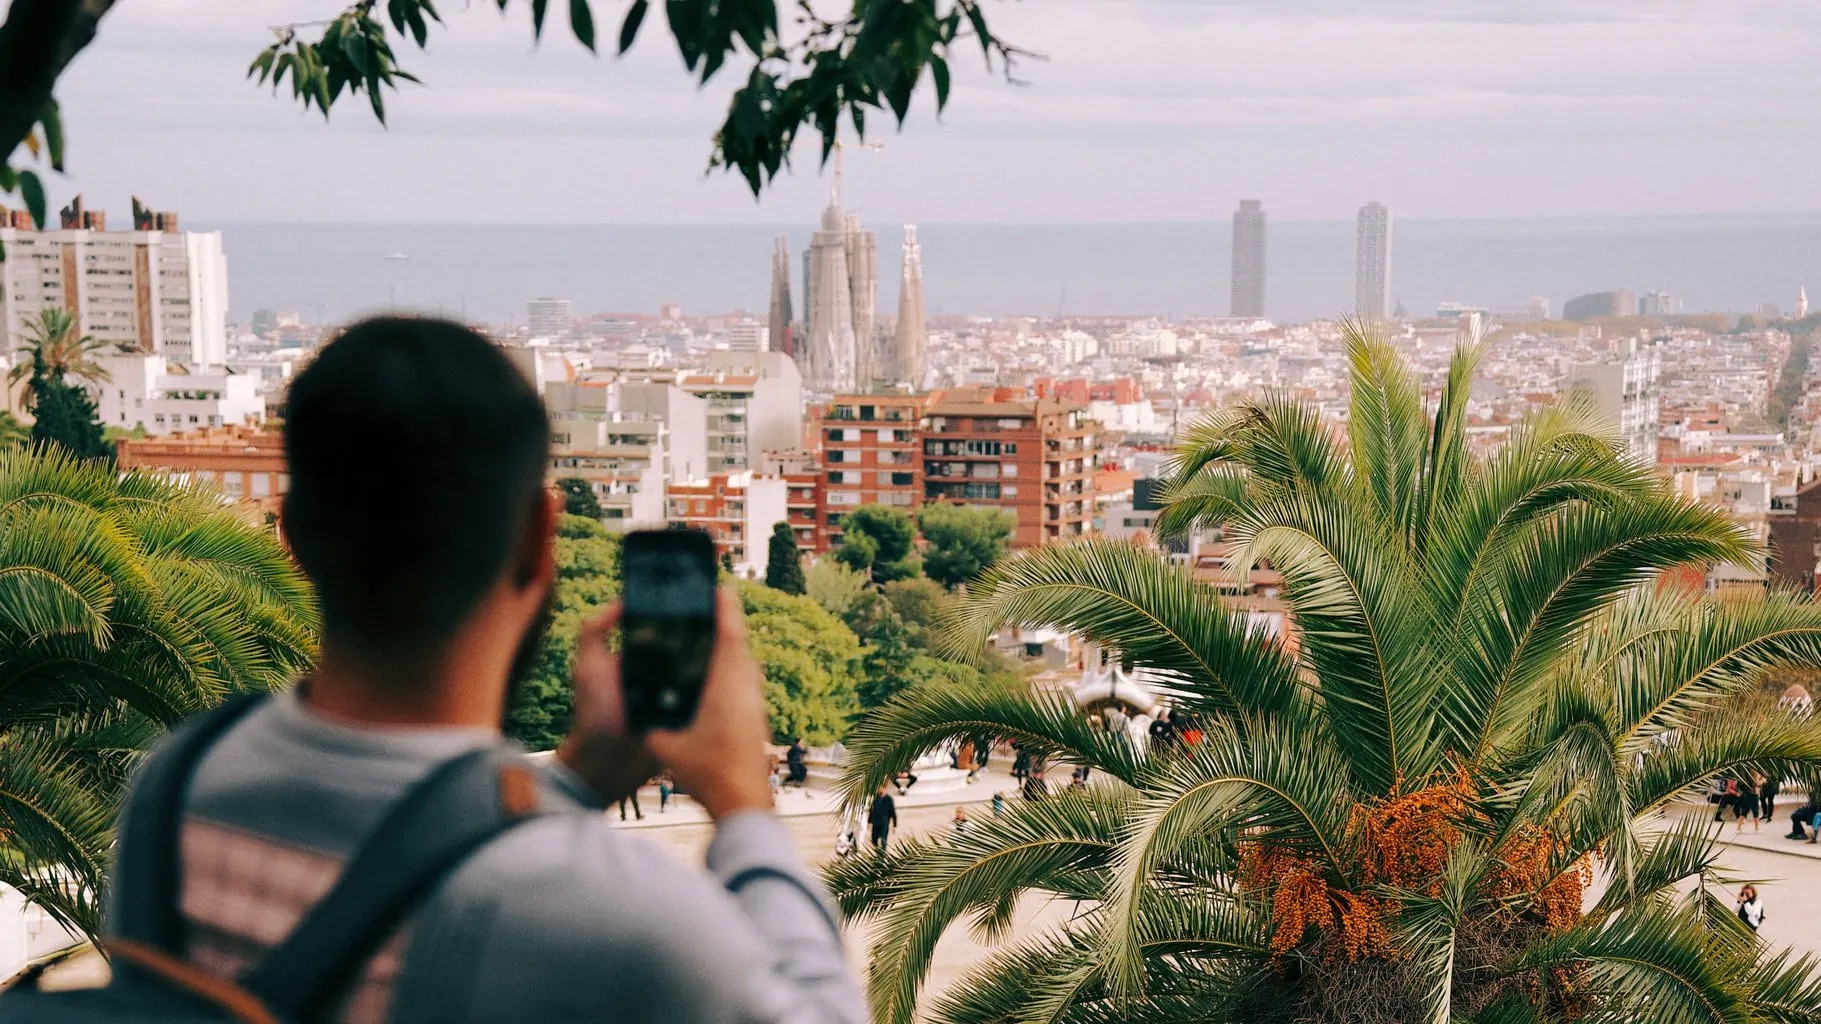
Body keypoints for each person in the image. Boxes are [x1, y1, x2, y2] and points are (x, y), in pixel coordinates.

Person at [98, 318, 863, 1023]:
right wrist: (742, 806)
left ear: (291, 533)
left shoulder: (174, 787)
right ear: (540, 537)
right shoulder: (606, 913)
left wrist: (575, 782)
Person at [869, 785, 898, 854]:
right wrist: (869, 821)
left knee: (883, 840)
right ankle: (877, 852)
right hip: (875, 823)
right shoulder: (876, 798)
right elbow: (872, 810)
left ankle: (882, 856)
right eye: (878, 788)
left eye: (881, 788)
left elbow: (892, 812)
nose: (879, 790)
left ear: (884, 789)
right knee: (874, 839)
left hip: (884, 823)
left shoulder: (889, 799)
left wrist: (894, 825)